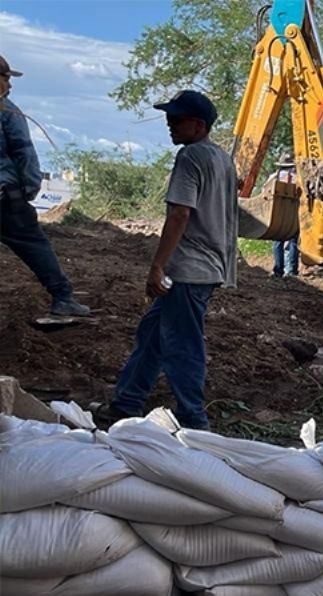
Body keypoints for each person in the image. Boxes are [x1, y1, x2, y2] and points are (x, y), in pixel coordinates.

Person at [97, 90, 237, 430]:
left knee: (181, 346)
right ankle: (127, 402)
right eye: (168, 119)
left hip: (188, 270)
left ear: (198, 125)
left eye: (176, 120)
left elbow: (179, 214)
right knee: (152, 334)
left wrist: (157, 266)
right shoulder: (222, 158)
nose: (169, 125)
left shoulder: (190, 156)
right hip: (208, 267)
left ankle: (193, 420)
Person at [0, 55, 91, 317]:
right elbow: (24, 153)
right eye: (6, 78)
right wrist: (29, 189)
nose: (10, 84)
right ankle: (63, 297)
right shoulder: (8, 112)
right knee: (34, 244)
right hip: (5, 199)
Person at [272, 154, 299, 277]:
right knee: (293, 242)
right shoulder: (297, 178)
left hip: (279, 214)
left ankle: (278, 270)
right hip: (293, 214)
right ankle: (292, 270)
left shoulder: (275, 178)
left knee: (278, 242)